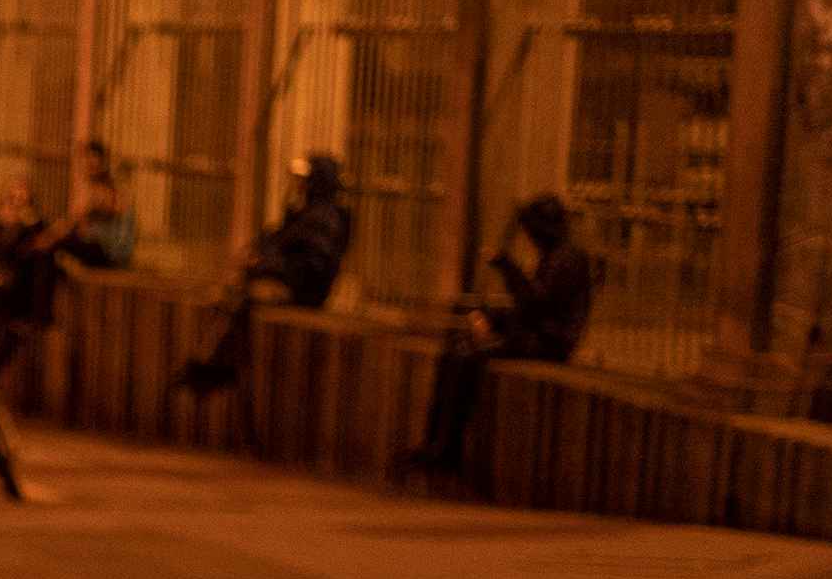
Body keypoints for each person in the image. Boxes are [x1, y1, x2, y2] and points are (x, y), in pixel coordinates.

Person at [397, 194, 597, 478]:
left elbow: (536, 304)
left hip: (549, 342)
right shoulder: (554, 255)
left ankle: (448, 447)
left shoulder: (568, 258)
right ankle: (435, 440)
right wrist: (492, 316)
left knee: (467, 357)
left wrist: (507, 267)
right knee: (453, 352)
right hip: (537, 332)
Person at [174, 153, 354, 398]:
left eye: (304, 179)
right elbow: (274, 239)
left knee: (240, 298)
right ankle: (213, 363)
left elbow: (310, 266)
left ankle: (216, 366)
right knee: (229, 295)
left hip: (302, 290)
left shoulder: (325, 218)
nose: (298, 184)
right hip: (284, 280)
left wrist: (265, 264)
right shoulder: (305, 211)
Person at [0, 141, 139, 360]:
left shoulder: (105, 188)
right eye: (85, 162)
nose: (87, 167)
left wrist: (46, 235)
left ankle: (40, 314)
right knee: (42, 252)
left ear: (101, 162)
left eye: (91, 162)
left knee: (48, 246)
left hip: (111, 252)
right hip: (90, 247)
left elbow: (74, 221)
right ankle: (36, 311)